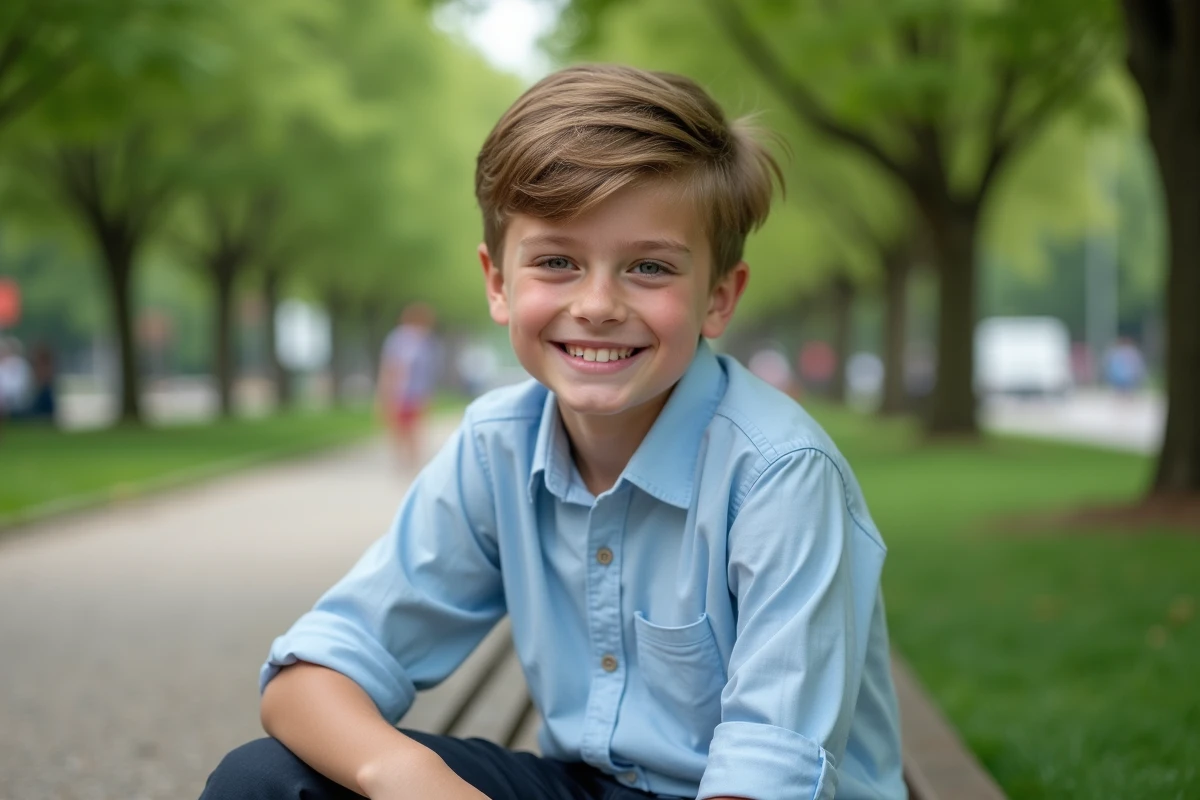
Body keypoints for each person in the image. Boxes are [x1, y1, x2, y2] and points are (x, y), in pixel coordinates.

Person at [201, 64, 905, 800]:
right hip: (593, 784)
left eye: (648, 267)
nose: (597, 304)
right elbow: (308, 679)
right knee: (266, 781)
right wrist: (407, 776)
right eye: (558, 262)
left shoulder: (779, 476)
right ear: (499, 283)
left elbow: (764, 780)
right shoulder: (496, 445)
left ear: (718, 298)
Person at [376, 303, 442, 466]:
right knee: (398, 427)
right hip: (398, 390)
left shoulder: (427, 341)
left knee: (414, 427)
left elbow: (429, 371)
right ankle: (402, 460)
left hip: (417, 391)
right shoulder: (398, 339)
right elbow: (389, 366)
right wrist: (385, 391)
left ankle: (411, 461)